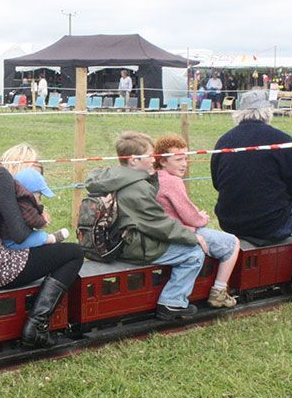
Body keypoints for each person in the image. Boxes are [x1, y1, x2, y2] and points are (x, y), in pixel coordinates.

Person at [0, 144, 84, 348]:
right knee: (74, 252)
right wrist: (40, 221)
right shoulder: (1, 179)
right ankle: (36, 326)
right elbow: (19, 235)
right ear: (25, 167)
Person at [210, 89, 292, 292]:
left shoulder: (223, 141)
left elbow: (217, 183)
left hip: (231, 222)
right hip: (271, 224)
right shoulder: (280, 139)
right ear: (267, 111)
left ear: (239, 112)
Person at [86, 131, 206, 320]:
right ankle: (173, 303)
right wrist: (193, 237)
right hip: (132, 247)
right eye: (150, 156)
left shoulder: (111, 177)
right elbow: (159, 224)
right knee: (193, 254)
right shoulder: (137, 188)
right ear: (133, 160)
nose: (153, 160)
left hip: (110, 242)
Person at [153, 135, 239, 308]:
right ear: (162, 160)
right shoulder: (172, 182)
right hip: (182, 232)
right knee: (232, 242)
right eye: (178, 159)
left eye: (185, 158)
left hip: (163, 232)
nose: (184, 163)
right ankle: (219, 292)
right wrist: (203, 217)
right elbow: (190, 216)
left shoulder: (154, 177)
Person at [3, 167, 70, 250]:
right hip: (12, 243)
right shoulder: (23, 204)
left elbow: (33, 208)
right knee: (39, 236)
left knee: (35, 235)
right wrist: (43, 222)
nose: (40, 200)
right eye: (39, 196)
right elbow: (33, 219)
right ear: (29, 193)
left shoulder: (19, 200)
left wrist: (41, 210)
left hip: (16, 238)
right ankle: (52, 238)